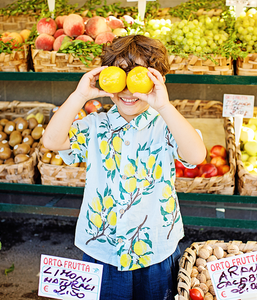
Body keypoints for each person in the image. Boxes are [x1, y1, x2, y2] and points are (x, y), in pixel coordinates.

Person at [42, 34, 206, 300]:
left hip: (155, 247)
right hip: (103, 248)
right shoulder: (96, 125)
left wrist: (163, 104)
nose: (129, 91)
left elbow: (196, 155)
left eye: (138, 78)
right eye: (121, 76)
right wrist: (80, 95)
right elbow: (52, 141)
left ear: (158, 80)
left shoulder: (166, 124)